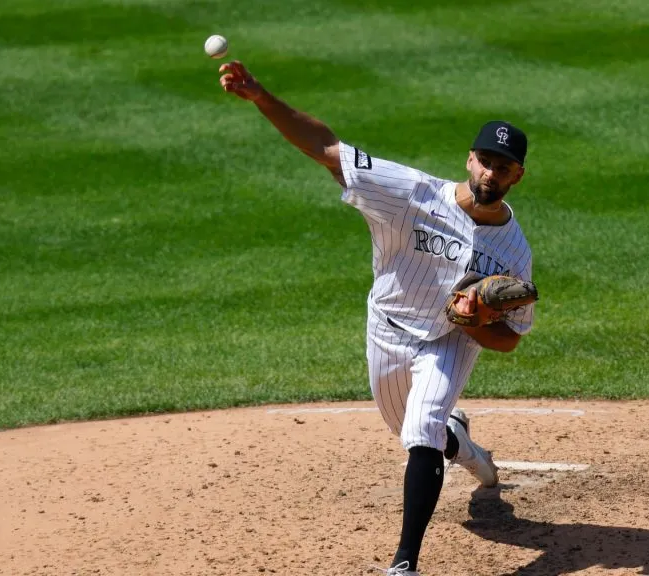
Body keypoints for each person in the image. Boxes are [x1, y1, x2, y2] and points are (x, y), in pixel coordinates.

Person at [219, 60, 537, 576]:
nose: (489, 174)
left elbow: (510, 340)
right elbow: (326, 148)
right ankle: (466, 446)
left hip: (448, 343)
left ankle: (404, 563)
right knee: (411, 427)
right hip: (388, 328)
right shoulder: (411, 192)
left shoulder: (515, 253)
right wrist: (262, 98)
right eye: (484, 161)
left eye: (503, 168)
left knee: (422, 428)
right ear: (469, 159)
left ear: (517, 176)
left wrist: (474, 322)